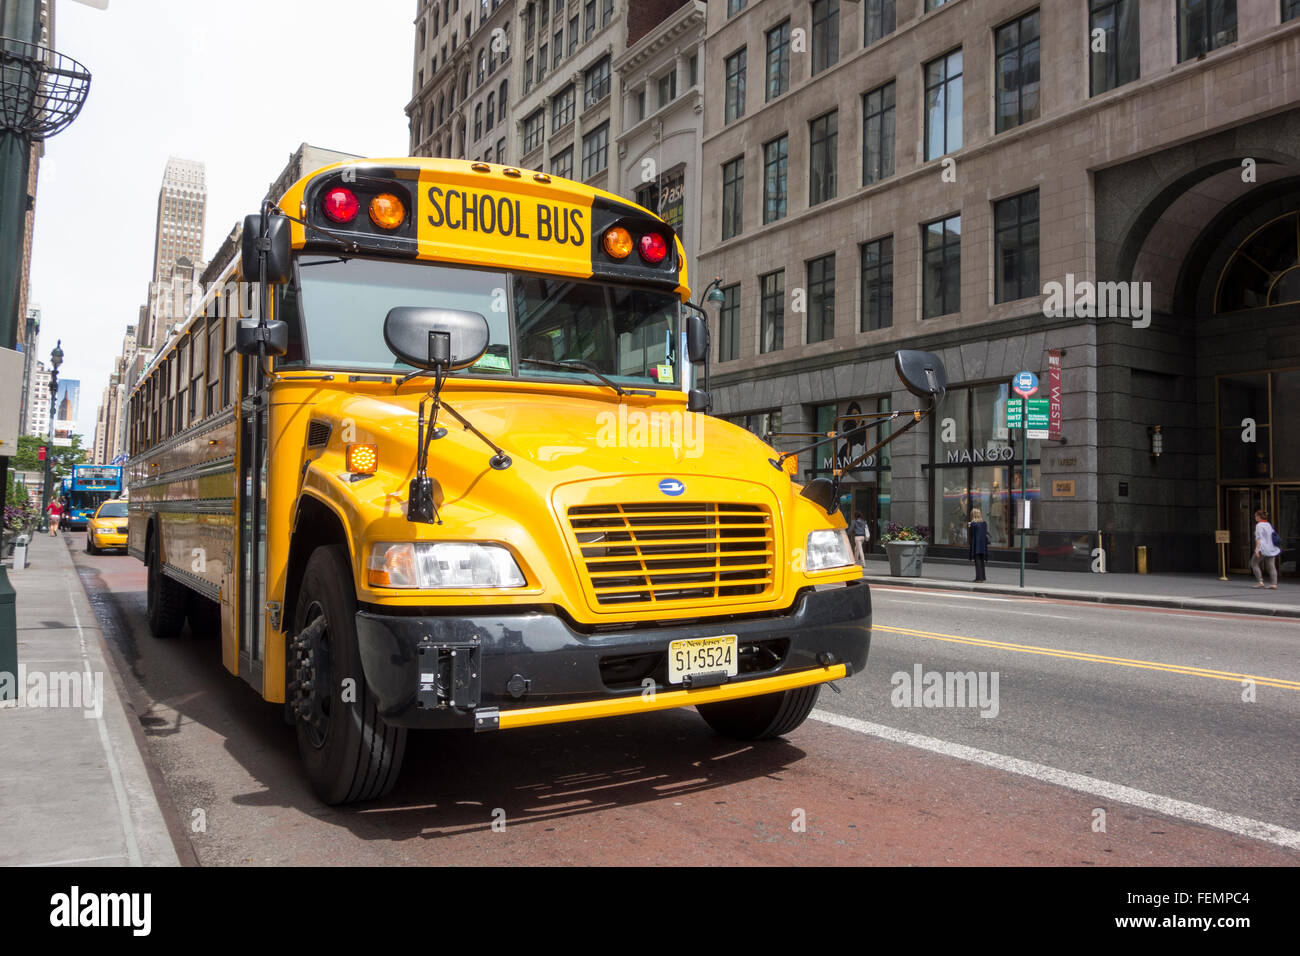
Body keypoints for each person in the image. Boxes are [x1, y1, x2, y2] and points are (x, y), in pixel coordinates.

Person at [1252, 509, 1280, 589]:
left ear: (1259, 517)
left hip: (1262, 548)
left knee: (1254, 563)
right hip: (1271, 547)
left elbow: (1258, 538)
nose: (1255, 517)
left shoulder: (1259, 525)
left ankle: (1260, 581)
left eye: (1256, 516)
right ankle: (1274, 584)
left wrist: (1257, 549)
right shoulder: (1268, 524)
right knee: (1271, 566)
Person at [969, 507, 990, 582]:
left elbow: (971, 535)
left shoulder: (973, 524)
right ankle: (982, 577)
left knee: (977, 561)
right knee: (981, 561)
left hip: (976, 545)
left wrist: (969, 525)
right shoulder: (984, 523)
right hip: (983, 545)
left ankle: (978, 578)